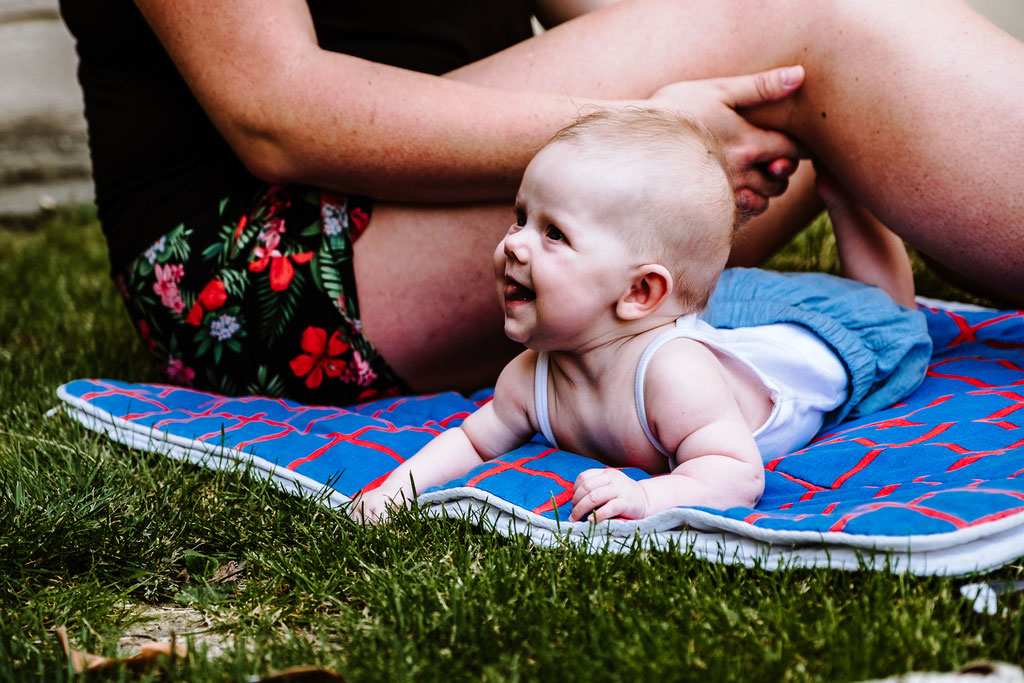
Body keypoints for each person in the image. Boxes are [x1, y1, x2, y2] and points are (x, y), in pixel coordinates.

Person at [59, 0, 1023, 405]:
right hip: (263, 273)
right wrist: (644, 119)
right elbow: (277, 115)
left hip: (461, 193)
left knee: (802, 65)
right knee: (823, 35)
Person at [350, 109, 931, 523]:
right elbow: (474, 444)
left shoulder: (674, 376)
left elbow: (737, 472)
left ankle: (846, 195)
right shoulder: (530, 375)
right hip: (718, 323)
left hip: (809, 343)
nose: (516, 246)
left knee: (889, 312)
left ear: (639, 292)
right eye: (520, 217)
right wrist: (395, 492)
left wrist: (652, 498)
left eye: (555, 234)